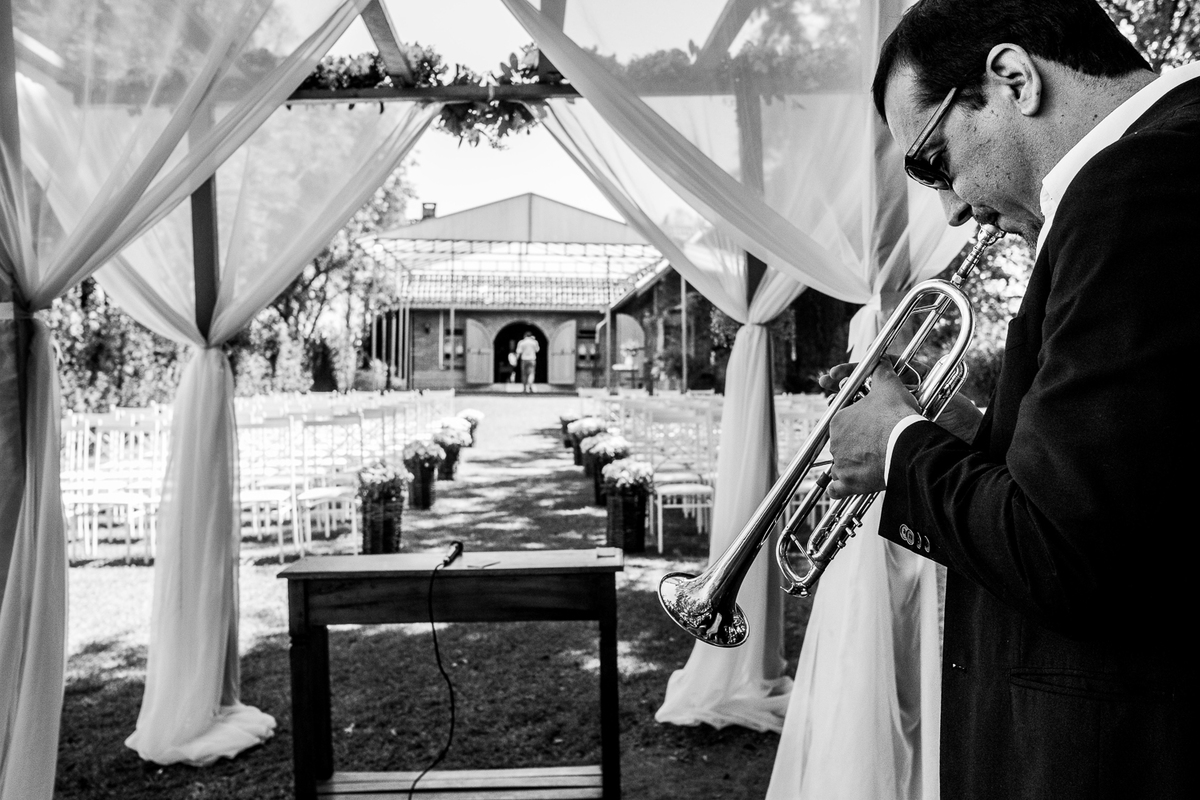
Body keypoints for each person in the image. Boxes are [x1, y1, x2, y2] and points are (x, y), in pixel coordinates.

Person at [821, 1, 1198, 797]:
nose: (951, 206)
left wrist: (898, 449)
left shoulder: (1137, 182)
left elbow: (1065, 552)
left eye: (931, 162)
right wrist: (960, 430)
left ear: (1012, 79)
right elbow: (1142, 481)